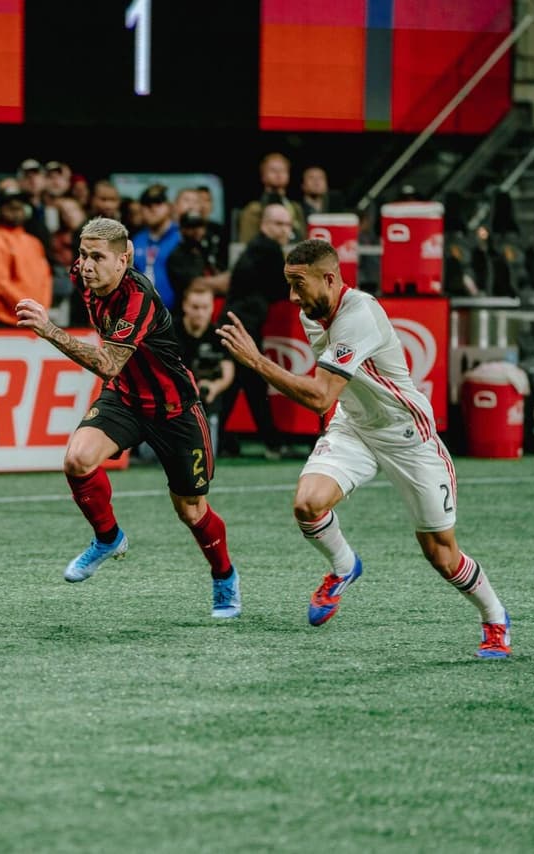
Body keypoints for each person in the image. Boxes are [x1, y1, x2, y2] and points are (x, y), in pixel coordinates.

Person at [216, 239, 511, 658]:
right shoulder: (313, 313)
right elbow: (333, 393)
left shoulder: (359, 316)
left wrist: (258, 361)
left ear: (331, 279)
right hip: (354, 427)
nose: (292, 297)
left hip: (407, 435)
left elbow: (319, 394)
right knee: (307, 503)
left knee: (442, 555)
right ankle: (343, 567)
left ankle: (495, 618)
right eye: (288, 285)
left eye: (299, 285)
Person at [14, 217, 242, 618]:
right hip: (126, 399)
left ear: (124, 260)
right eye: (83, 255)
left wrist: (49, 329)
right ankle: (108, 538)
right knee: (77, 459)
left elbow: (107, 364)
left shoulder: (139, 298)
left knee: (191, 511)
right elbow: (114, 375)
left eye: (97, 257)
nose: (86, 265)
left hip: (175, 410)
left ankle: (224, 577)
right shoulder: (86, 274)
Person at [219, 202, 291, 459]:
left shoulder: (259, 247)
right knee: (247, 385)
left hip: (238, 324)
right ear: (265, 225)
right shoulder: (268, 248)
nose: (285, 230)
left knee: (239, 385)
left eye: (288, 224)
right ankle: (271, 442)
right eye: (279, 224)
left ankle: (219, 440)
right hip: (242, 327)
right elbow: (282, 289)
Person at [174, 285, 234, 455]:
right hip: (170, 404)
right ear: (185, 306)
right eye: (195, 307)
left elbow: (228, 371)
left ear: (213, 307)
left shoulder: (218, 336)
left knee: (206, 456)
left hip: (205, 405)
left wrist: (215, 387)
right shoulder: (169, 331)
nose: (200, 313)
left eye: (205, 307)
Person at [0, 188, 51, 327]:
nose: (15, 212)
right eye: (10, 208)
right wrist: (29, 308)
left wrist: (42, 307)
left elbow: (46, 278)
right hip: (4, 320)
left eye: (19, 208)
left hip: (35, 318)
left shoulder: (34, 242)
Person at [237, 152, 306, 243]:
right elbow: (246, 243)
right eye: (273, 170)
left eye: (283, 170)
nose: (278, 174)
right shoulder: (253, 210)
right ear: (263, 176)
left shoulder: (295, 208)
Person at [131, 184, 181, 307]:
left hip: (176, 313)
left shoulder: (181, 237)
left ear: (169, 207)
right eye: (147, 204)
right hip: (143, 314)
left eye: (158, 203)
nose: (152, 208)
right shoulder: (137, 239)